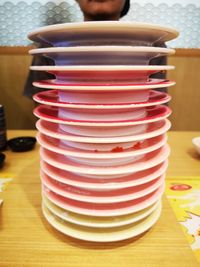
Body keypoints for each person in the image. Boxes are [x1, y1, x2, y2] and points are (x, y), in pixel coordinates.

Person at [24, 0, 166, 98]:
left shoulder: (153, 44)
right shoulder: (50, 44)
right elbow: (41, 101)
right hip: (70, 137)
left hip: (133, 136)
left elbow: (157, 100)